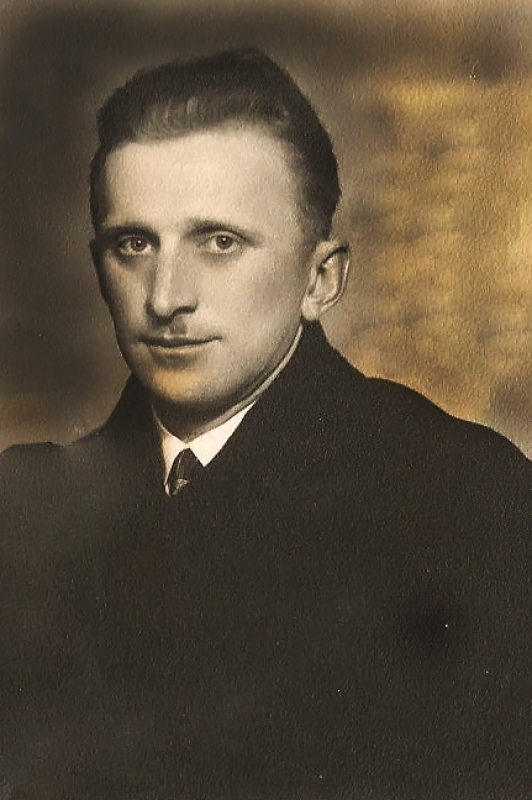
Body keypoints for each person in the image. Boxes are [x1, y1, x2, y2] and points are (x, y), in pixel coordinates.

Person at [1, 47, 532, 800]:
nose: (165, 298)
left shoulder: (470, 501)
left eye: (219, 242)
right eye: (134, 244)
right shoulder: (22, 511)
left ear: (322, 279)